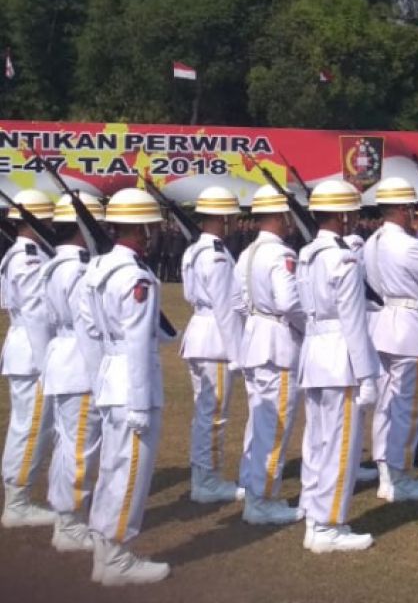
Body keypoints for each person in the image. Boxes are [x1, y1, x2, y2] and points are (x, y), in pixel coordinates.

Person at [79, 187, 173, 585]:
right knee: (129, 471)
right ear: (142, 229)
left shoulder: (97, 268)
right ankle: (116, 558)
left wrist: (101, 379)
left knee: (113, 470)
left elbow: (89, 332)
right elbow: (136, 341)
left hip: (110, 377)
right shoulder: (135, 276)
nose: (154, 232)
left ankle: (105, 555)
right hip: (133, 383)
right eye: (151, 226)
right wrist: (137, 402)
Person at [295, 180, 380, 553]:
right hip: (339, 358)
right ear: (343, 216)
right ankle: (328, 525)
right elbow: (353, 321)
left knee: (318, 443)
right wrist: (367, 374)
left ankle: (316, 517)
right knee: (340, 445)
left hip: (313, 354)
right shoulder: (343, 258)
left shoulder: (306, 254)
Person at [363, 177, 418, 503]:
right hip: (409, 329)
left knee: (385, 405)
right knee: (408, 408)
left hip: (383, 325)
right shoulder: (409, 245)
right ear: (400, 209)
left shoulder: (373, 242)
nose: (413, 213)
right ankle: (400, 476)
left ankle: (386, 472)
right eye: (410, 208)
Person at [235, 185, 307, 526]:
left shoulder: (247, 253)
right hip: (277, 343)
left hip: (254, 339)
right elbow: (289, 302)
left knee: (258, 421)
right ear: (280, 216)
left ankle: (253, 486)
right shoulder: (280, 254)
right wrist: (310, 327)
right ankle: (262, 499)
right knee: (274, 425)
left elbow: (236, 302)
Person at [42, 193, 106, 552]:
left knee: (67, 444)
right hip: (80, 362)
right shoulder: (80, 269)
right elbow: (88, 325)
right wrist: (101, 375)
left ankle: (64, 513)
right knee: (81, 446)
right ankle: (70, 521)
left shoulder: (54, 264)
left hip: (61, 358)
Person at [180, 186, 245, 504]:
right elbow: (225, 307)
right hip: (215, 340)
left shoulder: (195, 250)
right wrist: (237, 354)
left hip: (199, 334)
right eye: (230, 216)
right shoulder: (216, 255)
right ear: (221, 218)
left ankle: (202, 475)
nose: (233, 221)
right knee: (214, 414)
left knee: (204, 411)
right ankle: (207, 479)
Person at [0, 188, 57, 528]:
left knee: (27, 426)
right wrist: (45, 361)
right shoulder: (30, 258)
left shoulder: (18, 255)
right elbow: (36, 314)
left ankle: (19, 495)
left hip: (22, 346)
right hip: (33, 352)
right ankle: (17, 502)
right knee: (31, 426)